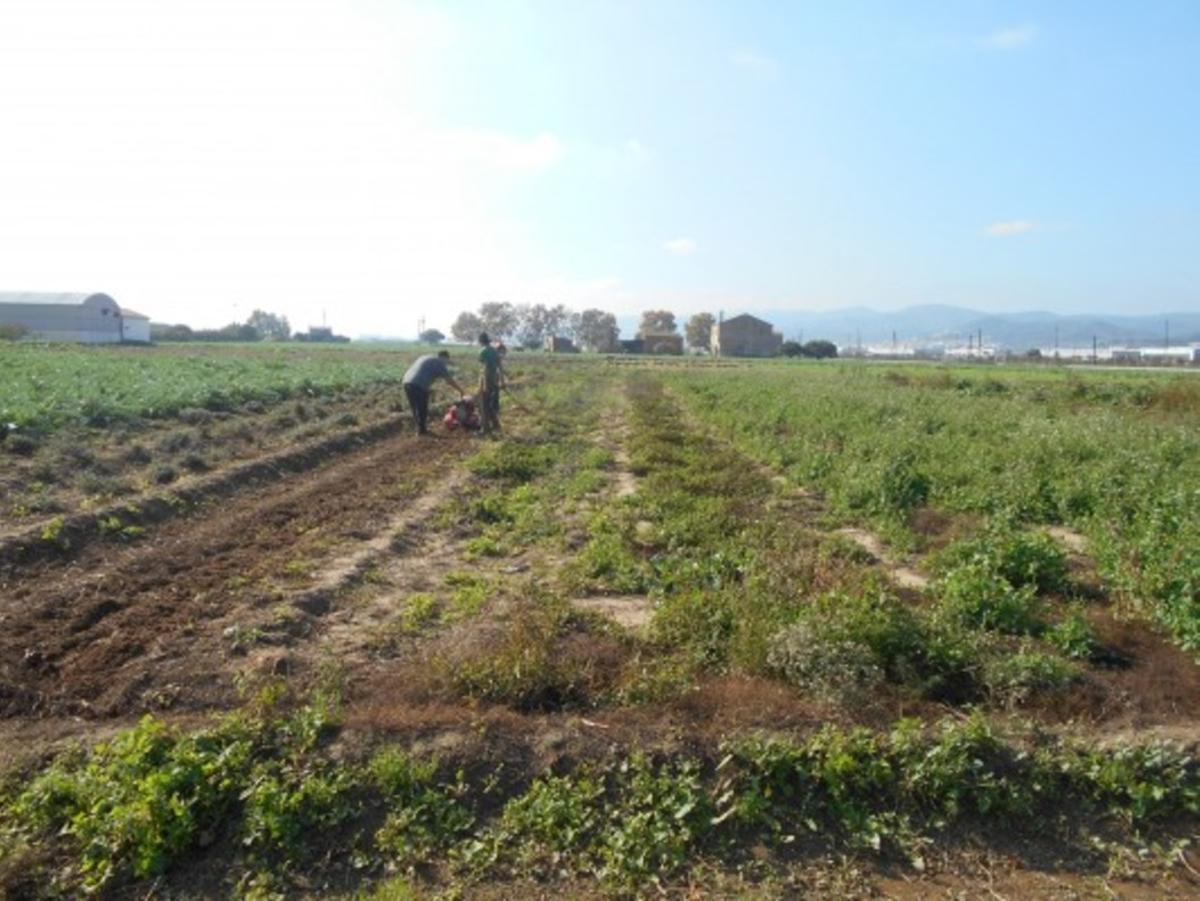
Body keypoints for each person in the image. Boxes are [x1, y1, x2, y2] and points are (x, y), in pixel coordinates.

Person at [402, 350, 464, 435]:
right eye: (446, 361)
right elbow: (449, 380)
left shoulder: (425, 357)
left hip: (406, 381)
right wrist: (460, 390)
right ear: (444, 357)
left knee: (414, 406)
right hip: (419, 384)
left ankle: (419, 428)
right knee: (422, 407)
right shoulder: (439, 363)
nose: (446, 364)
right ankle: (422, 431)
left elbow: (423, 371)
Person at [477, 331, 505, 435]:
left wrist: (482, 386)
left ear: (480, 341)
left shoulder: (482, 351)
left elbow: (484, 368)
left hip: (486, 379)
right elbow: (500, 367)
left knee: (483, 404)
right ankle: (496, 425)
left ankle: (485, 429)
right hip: (495, 379)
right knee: (489, 404)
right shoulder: (494, 351)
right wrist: (502, 381)